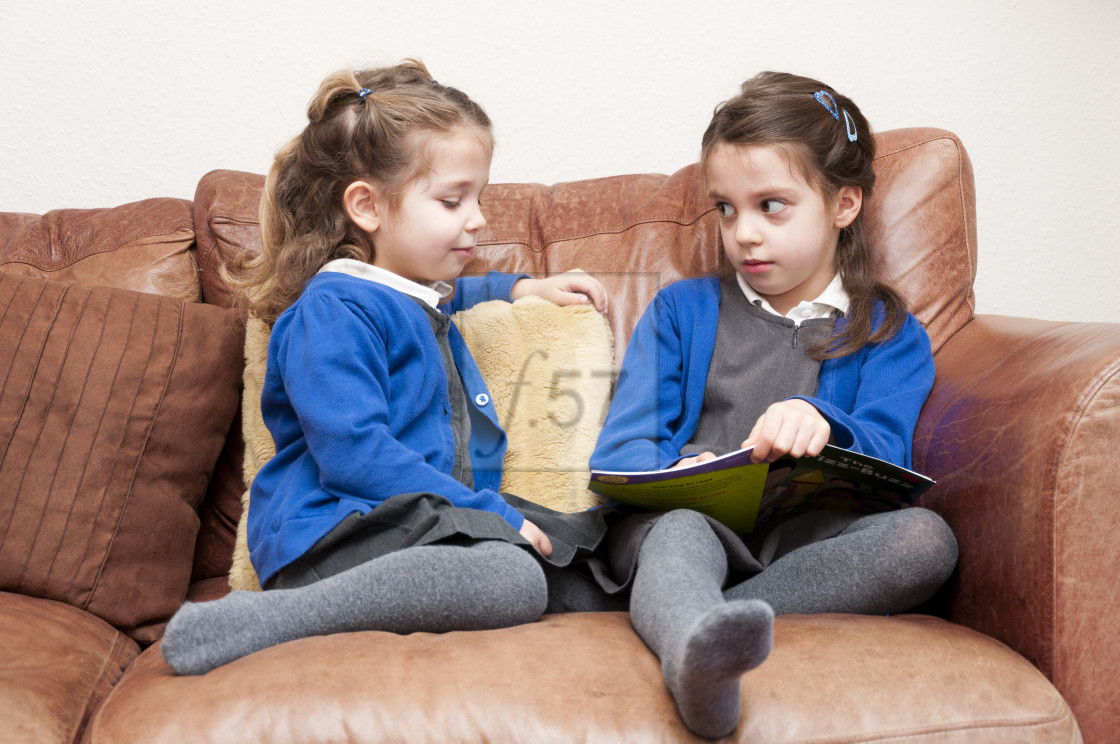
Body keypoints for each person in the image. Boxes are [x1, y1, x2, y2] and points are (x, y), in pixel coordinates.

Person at [160, 60, 610, 676]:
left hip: (411, 522)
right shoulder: (331, 313)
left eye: (478, 197)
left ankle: (723, 600)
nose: (477, 218)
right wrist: (490, 515)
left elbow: (445, 304)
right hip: (330, 534)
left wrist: (523, 287)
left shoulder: (405, 294)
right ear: (368, 207)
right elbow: (354, 455)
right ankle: (254, 624)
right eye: (453, 200)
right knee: (511, 577)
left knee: (588, 540)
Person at [589, 71, 959, 739]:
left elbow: (889, 457)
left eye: (772, 205)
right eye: (726, 209)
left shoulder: (888, 332)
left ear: (843, 204)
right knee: (677, 535)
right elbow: (621, 450)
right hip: (687, 527)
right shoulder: (681, 311)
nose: (744, 234)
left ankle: (705, 619)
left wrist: (824, 422)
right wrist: (680, 472)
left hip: (804, 541)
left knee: (926, 542)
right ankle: (695, 647)